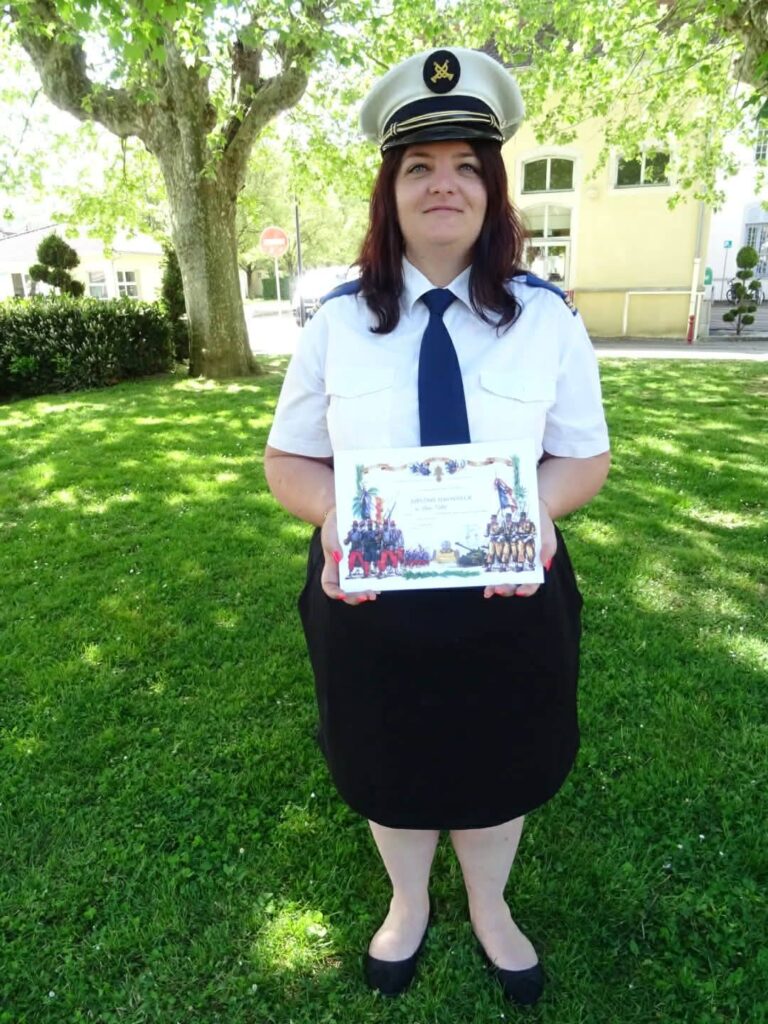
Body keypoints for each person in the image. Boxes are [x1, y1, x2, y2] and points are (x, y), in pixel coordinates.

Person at [264, 45, 610, 1006]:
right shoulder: (337, 323)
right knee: (389, 758)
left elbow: (583, 457)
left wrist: (538, 514)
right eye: (419, 166)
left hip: (510, 586)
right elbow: (289, 462)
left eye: (466, 166)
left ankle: (491, 906)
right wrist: (335, 520)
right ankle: (407, 901)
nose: (443, 184)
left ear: (494, 191)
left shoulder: (547, 319)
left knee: (503, 758)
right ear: (391, 191)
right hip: (371, 595)